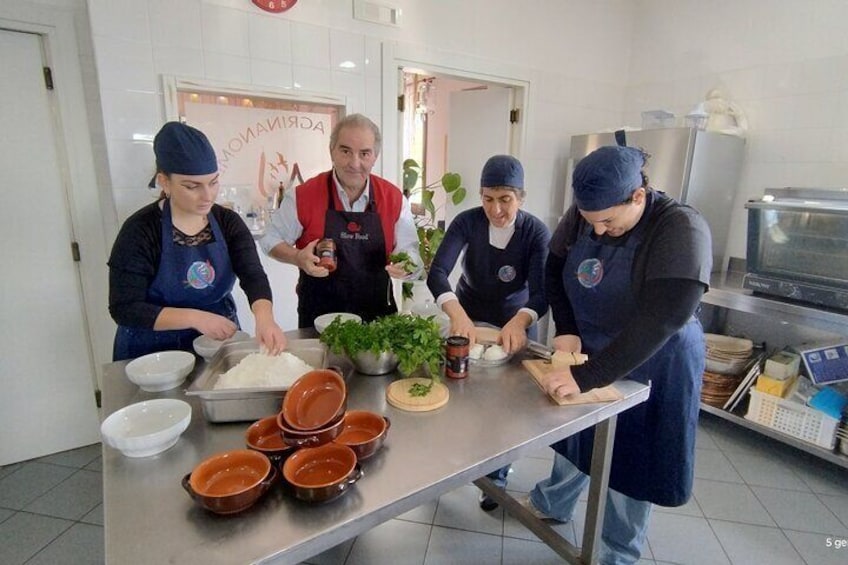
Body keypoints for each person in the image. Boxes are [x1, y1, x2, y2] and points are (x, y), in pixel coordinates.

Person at [525, 145, 711, 564]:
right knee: (577, 436)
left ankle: (616, 553)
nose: (600, 231)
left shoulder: (681, 228)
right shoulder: (586, 214)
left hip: (656, 359)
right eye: (593, 223)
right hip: (590, 346)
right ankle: (552, 503)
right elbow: (553, 270)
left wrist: (588, 376)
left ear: (638, 198)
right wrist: (568, 329)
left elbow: (662, 319)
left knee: (632, 459)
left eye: (608, 221)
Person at [426, 154, 551, 511]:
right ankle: (452, 464)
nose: (496, 209)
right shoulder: (467, 223)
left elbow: (542, 292)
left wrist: (520, 321)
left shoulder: (535, 232)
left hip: (515, 318)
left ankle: (495, 477)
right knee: (460, 393)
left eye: (505, 200)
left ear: (521, 198)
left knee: (504, 406)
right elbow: (438, 273)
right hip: (469, 310)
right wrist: (457, 314)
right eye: (488, 199)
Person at [109, 122, 287, 361]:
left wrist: (265, 318)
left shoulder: (228, 223)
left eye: (213, 182)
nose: (207, 196)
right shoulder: (140, 230)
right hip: (151, 350)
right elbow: (125, 307)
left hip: (216, 341)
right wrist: (196, 318)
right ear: (164, 182)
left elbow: (252, 274)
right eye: (192, 186)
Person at [260, 113, 422, 328]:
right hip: (319, 320)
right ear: (332, 152)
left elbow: (412, 254)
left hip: (378, 321)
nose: (354, 163)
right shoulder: (303, 196)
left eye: (364, 153)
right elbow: (270, 239)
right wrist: (298, 257)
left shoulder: (393, 199)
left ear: (375, 156)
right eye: (345, 151)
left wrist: (408, 266)